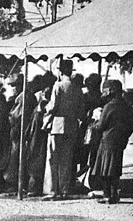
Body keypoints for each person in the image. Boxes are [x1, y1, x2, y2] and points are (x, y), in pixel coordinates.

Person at [42, 60, 85, 201]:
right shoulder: (77, 88)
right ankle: (65, 190)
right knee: (67, 160)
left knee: (53, 159)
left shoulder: (58, 86)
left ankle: (54, 191)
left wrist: (45, 114)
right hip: (71, 127)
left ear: (60, 72)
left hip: (57, 126)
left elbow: (53, 106)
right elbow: (81, 110)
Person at [91, 79, 133, 204]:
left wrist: (93, 124)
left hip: (107, 141)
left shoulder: (108, 106)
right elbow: (132, 124)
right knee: (115, 169)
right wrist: (125, 136)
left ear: (111, 91)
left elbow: (100, 126)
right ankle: (114, 194)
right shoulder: (126, 106)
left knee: (104, 170)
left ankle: (107, 195)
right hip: (120, 141)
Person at [4, 74, 39, 193]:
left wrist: (8, 117)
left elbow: (15, 116)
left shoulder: (22, 97)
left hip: (20, 131)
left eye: (14, 85)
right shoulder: (29, 96)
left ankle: (16, 183)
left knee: (16, 158)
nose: (13, 88)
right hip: (26, 131)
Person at [26, 75, 54, 197]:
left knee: (35, 162)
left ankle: (33, 188)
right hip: (39, 138)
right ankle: (34, 188)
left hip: (36, 138)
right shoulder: (44, 108)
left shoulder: (39, 108)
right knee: (38, 162)